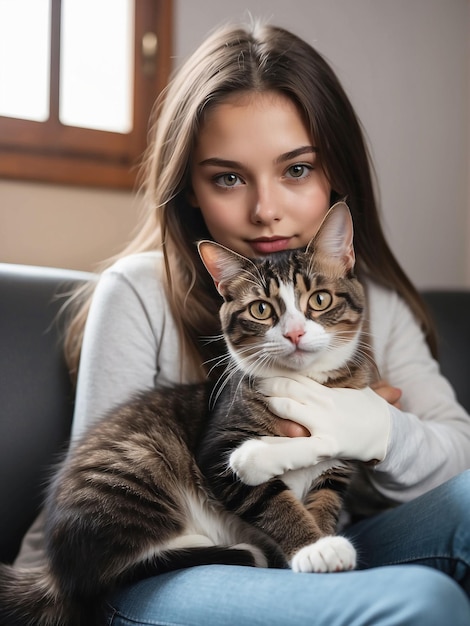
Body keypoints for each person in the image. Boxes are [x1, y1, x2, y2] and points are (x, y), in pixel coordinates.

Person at [16, 20, 470, 625]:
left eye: (297, 169)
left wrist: (382, 432)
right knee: (423, 602)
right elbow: (96, 492)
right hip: (156, 563)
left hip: (316, 547)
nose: (266, 211)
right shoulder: (140, 292)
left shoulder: (372, 307)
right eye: (228, 177)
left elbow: (457, 457)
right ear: (192, 191)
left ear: (335, 171)